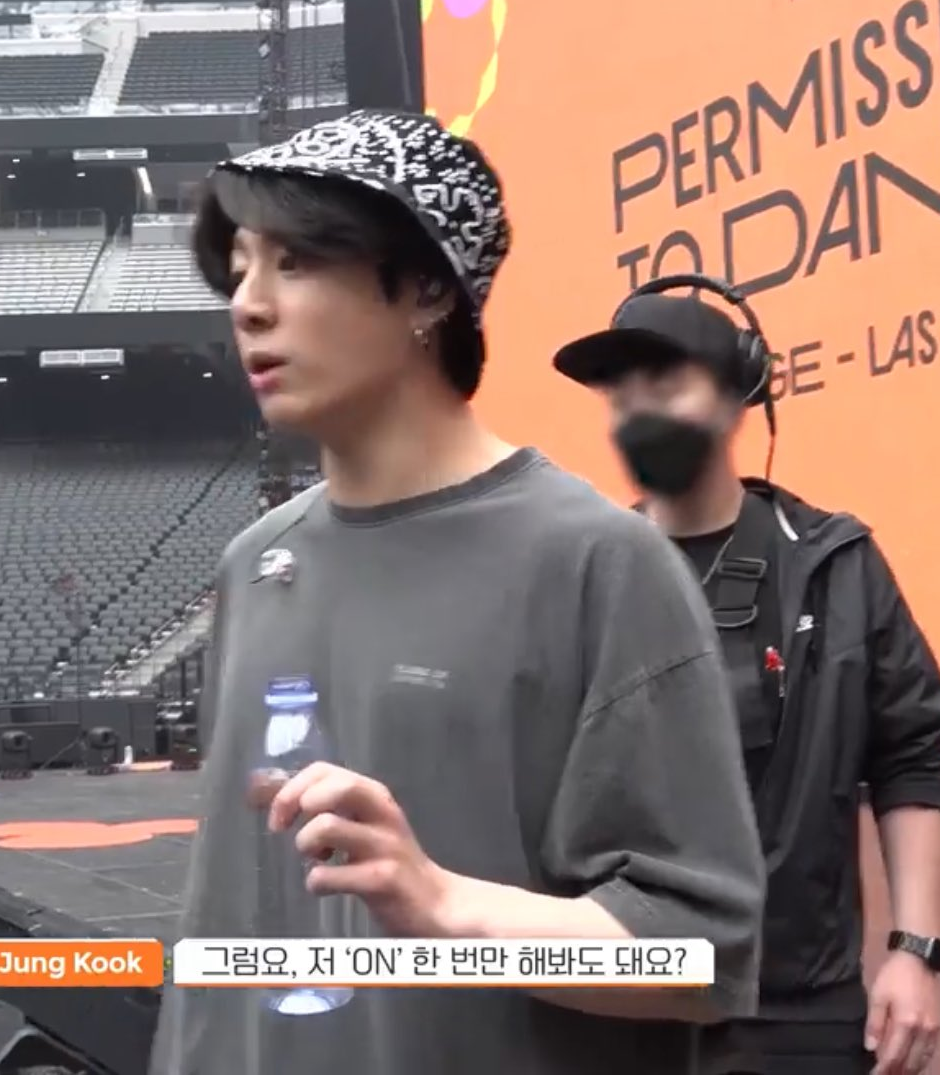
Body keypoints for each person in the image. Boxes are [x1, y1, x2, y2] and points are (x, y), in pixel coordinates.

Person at [149, 112, 766, 1075]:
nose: (249, 306)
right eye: (238, 271)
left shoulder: (598, 561)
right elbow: (222, 917)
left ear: (429, 286)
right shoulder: (254, 561)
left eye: (295, 262)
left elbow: (700, 956)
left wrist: (445, 906)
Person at [552, 275, 940, 1075]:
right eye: (621, 395)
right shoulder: (582, 577)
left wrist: (916, 950)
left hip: (801, 1001)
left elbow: (909, 753)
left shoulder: (836, 563)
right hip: (626, 995)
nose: (639, 412)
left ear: (740, 394)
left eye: (666, 384)